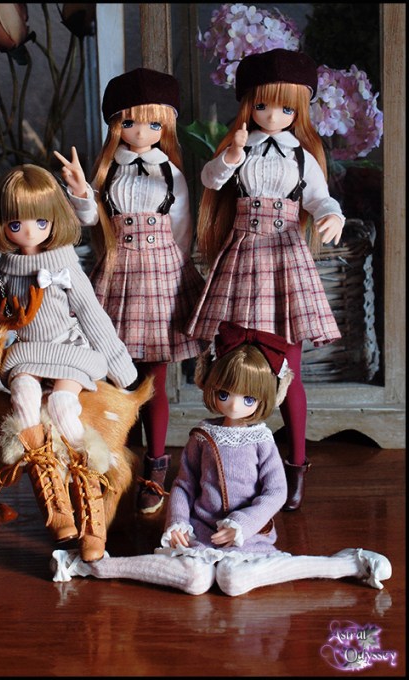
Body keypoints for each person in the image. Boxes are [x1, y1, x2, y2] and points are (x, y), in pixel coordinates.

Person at [50, 322, 392, 596]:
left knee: (233, 580)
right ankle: (92, 566)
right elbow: (184, 485)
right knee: (194, 579)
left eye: (248, 399)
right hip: (200, 533)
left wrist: (242, 524)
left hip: (249, 538)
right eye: (225, 394)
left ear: (267, 397)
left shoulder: (261, 439)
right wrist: (177, 523)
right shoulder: (203, 435)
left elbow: (275, 492)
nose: (233, 405)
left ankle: (347, 564)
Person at [185, 49, 346, 511]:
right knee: (233, 361)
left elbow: (320, 199)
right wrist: (232, 156)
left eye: (286, 108)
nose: (273, 116)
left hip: (283, 263)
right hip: (241, 260)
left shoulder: (301, 157)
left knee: (287, 370)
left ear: (300, 111)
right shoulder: (240, 147)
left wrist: (332, 216)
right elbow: (210, 180)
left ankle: (295, 464)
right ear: (247, 105)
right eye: (262, 105)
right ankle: (229, 463)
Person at [0, 164, 138, 561]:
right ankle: (56, 505)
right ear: (3, 225)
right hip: (27, 353)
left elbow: (93, 317)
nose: (29, 232)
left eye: (40, 222)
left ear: (55, 220)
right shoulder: (3, 272)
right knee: (23, 401)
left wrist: (120, 368)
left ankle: (91, 508)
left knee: (61, 406)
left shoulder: (65, 266)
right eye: (16, 224)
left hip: (68, 350)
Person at [55, 67, 205, 515]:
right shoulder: (108, 172)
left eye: (154, 123)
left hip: (161, 276)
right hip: (118, 275)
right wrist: (81, 193)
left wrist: (178, 275)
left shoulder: (170, 172)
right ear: (115, 125)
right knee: (117, 374)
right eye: (130, 122)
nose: (142, 132)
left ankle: (156, 466)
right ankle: (122, 458)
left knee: (154, 380)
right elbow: (88, 220)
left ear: (166, 126)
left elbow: (182, 227)